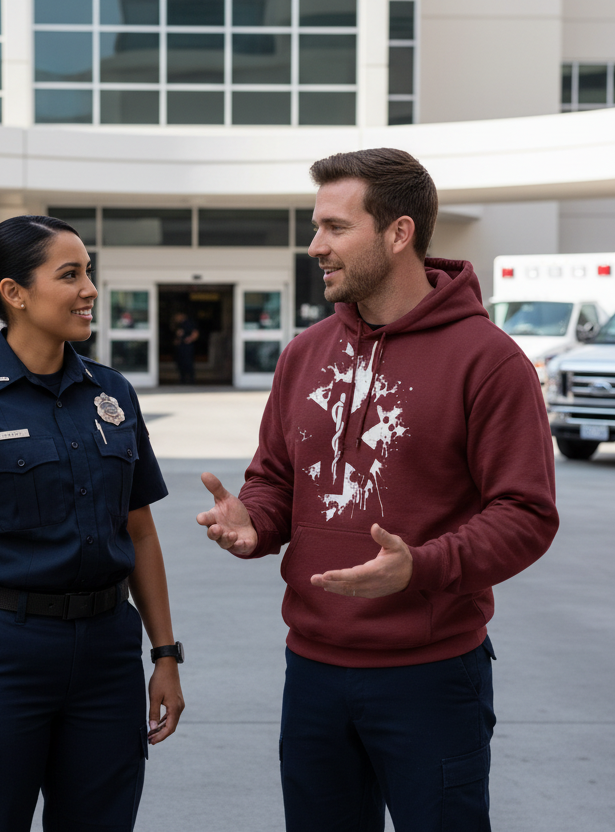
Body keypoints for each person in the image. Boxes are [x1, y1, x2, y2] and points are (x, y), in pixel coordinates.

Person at [197, 149, 559, 832]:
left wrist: (420, 568)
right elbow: (275, 477)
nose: (315, 246)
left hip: (431, 676)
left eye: (336, 228)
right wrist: (256, 523)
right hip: (312, 671)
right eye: (316, 227)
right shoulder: (305, 352)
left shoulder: (487, 360)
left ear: (399, 233)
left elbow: (526, 514)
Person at [0, 215, 184, 832]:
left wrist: (164, 655)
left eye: (89, 274)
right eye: (70, 275)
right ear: (14, 293)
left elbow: (140, 533)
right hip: (4, 654)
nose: (90, 290)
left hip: (108, 653)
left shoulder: (113, 395)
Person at [172, 310, 199, 384]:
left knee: (188, 363)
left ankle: (191, 379)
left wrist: (189, 339)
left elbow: (195, 333)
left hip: (187, 347)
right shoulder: (178, 324)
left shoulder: (189, 323)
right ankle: (183, 379)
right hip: (180, 346)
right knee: (180, 363)